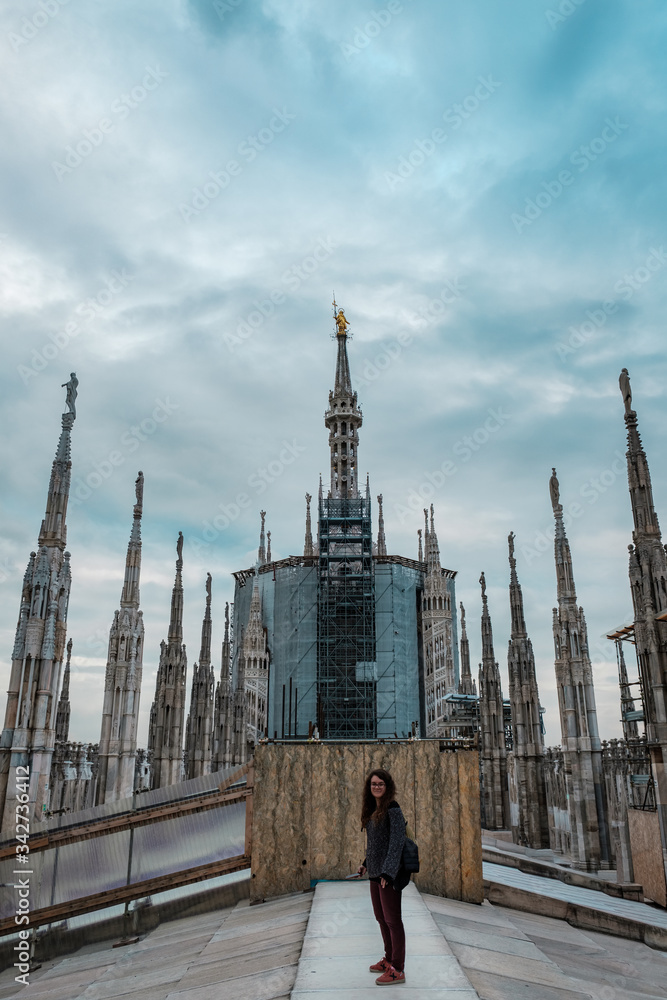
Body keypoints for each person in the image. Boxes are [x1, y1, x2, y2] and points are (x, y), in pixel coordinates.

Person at [357, 768, 408, 986]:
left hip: (389, 874)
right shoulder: (373, 809)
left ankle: (398, 968)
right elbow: (377, 844)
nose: (376, 787)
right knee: (380, 918)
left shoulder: (392, 808)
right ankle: (388, 959)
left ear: (387, 787)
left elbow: (396, 842)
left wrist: (389, 871)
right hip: (376, 873)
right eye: (373, 784)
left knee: (393, 920)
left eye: (380, 784)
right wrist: (365, 863)